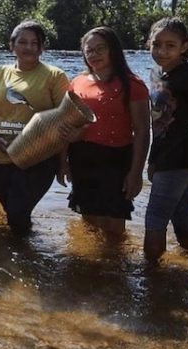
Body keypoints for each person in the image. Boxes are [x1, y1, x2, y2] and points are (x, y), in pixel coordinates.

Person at [0, 20, 71, 236]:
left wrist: (63, 161)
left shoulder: (55, 76)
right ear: (12, 45)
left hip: (37, 159)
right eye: (22, 42)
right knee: (13, 213)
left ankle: (18, 261)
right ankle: (25, 253)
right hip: (0, 156)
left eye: (34, 43)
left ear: (41, 47)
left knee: (18, 213)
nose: (28, 47)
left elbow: (65, 120)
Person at [62, 27, 150, 237]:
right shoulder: (77, 83)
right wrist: (62, 162)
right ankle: (91, 267)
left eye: (100, 49)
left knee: (113, 228)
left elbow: (142, 131)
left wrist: (136, 173)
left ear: (113, 50)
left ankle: (116, 267)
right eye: (89, 50)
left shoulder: (133, 84)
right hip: (82, 157)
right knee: (89, 221)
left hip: (116, 160)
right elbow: (66, 126)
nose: (94, 54)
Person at [144, 16, 188, 264]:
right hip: (176, 157)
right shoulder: (162, 74)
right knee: (182, 217)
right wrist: (152, 158)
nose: (162, 51)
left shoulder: (186, 78)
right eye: (156, 44)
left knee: (155, 218)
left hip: (179, 159)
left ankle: (152, 277)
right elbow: (160, 123)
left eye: (170, 45)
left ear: (184, 47)